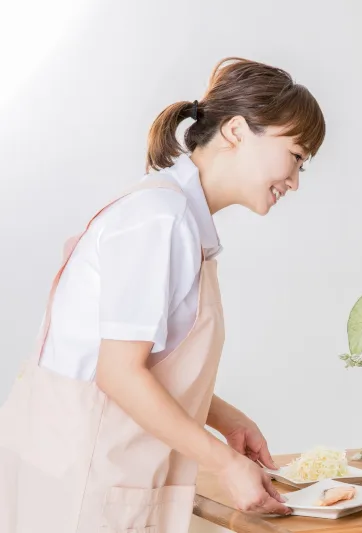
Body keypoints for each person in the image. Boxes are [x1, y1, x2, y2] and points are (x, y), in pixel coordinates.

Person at [0, 57, 325, 532]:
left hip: (91, 479)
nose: (295, 181)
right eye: (295, 156)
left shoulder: (176, 218)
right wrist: (226, 463)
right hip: (81, 490)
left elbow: (142, 363)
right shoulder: (159, 219)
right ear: (236, 131)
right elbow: (118, 374)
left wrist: (226, 418)